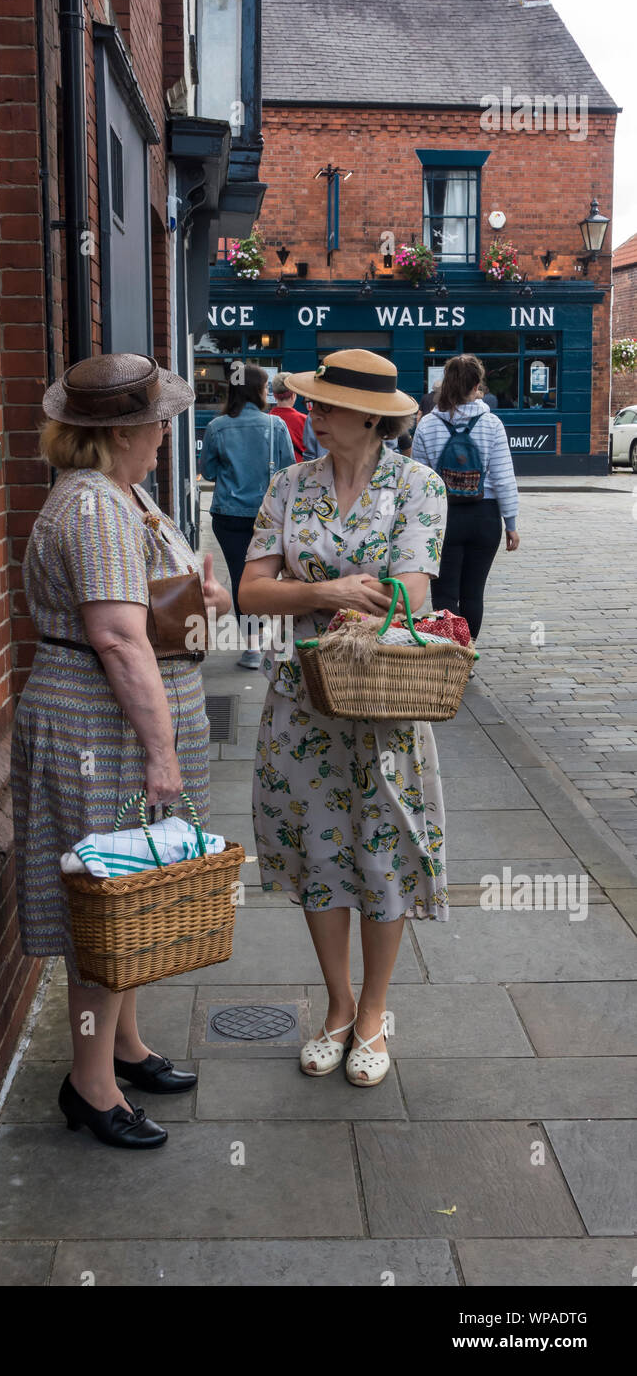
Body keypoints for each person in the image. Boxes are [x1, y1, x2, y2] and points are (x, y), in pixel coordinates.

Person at [10, 353, 233, 1150]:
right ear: (123, 432)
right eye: (158, 421)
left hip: (121, 726)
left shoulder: (124, 497)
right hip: (100, 734)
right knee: (103, 906)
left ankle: (125, 1046)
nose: (166, 434)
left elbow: (152, 610)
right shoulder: (97, 511)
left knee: (131, 898)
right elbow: (113, 635)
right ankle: (89, 1083)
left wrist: (200, 599)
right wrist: (160, 755)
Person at [239, 350, 448, 1088]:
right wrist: (325, 592)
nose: (311, 414)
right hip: (303, 699)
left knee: (383, 855)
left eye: (323, 405)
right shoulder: (287, 485)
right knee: (320, 856)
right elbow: (251, 591)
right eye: (312, 403)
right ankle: (335, 1007)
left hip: (385, 703)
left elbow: (414, 593)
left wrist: (320, 589)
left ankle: (373, 1015)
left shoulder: (417, 484)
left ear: (370, 417)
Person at [411, 352, 519, 643]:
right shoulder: (492, 424)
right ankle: (466, 653)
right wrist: (510, 522)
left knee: (445, 593)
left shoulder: (428, 425)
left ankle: (450, 653)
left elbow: (421, 482)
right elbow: (503, 477)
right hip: (485, 516)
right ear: (476, 386)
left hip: (444, 518)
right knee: (473, 593)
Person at [198, 363, 295, 668]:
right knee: (277, 578)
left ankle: (252, 647)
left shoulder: (216, 427)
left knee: (242, 580)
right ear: (257, 390)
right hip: (268, 515)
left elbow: (209, 471)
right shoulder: (275, 426)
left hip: (228, 516)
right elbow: (288, 472)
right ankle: (280, 642)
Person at [269, 371, 308, 460]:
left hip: (274, 470)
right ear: (293, 395)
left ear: (274, 396)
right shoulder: (305, 420)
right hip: (299, 470)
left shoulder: (267, 421)